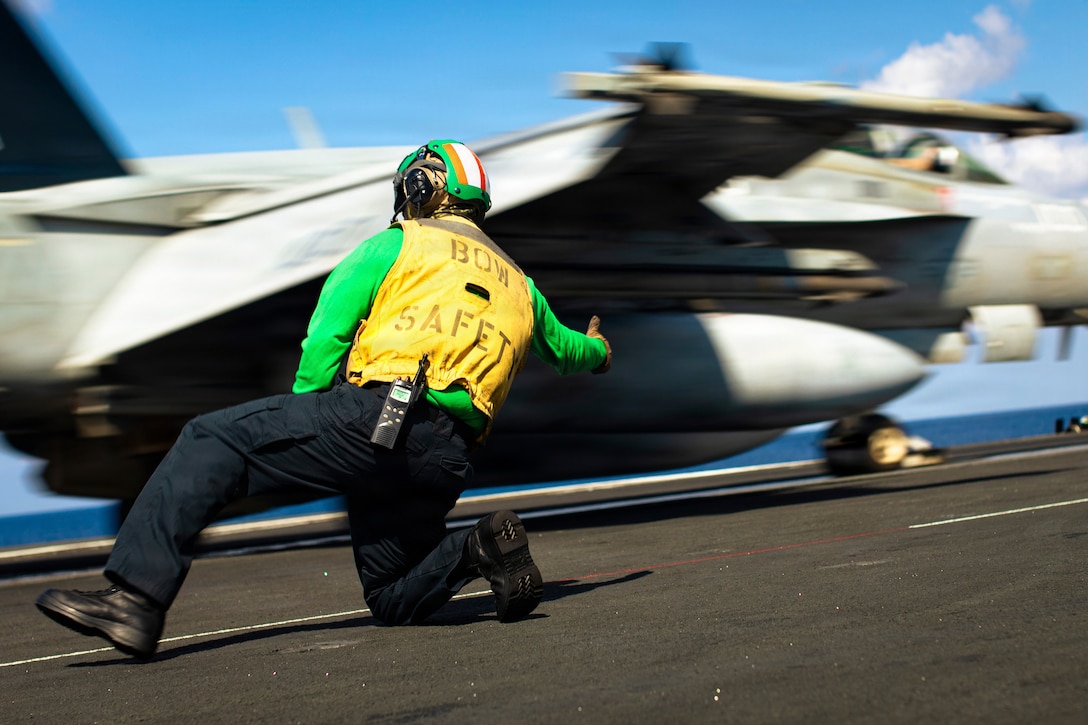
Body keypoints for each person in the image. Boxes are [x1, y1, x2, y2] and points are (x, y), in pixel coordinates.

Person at [35, 139, 611, 659]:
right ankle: (477, 547)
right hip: (449, 457)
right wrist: (599, 347)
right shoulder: (520, 284)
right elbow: (567, 351)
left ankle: (133, 599)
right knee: (390, 596)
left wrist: (304, 417)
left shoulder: (396, 245)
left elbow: (326, 335)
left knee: (210, 438)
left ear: (421, 187)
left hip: (377, 420)